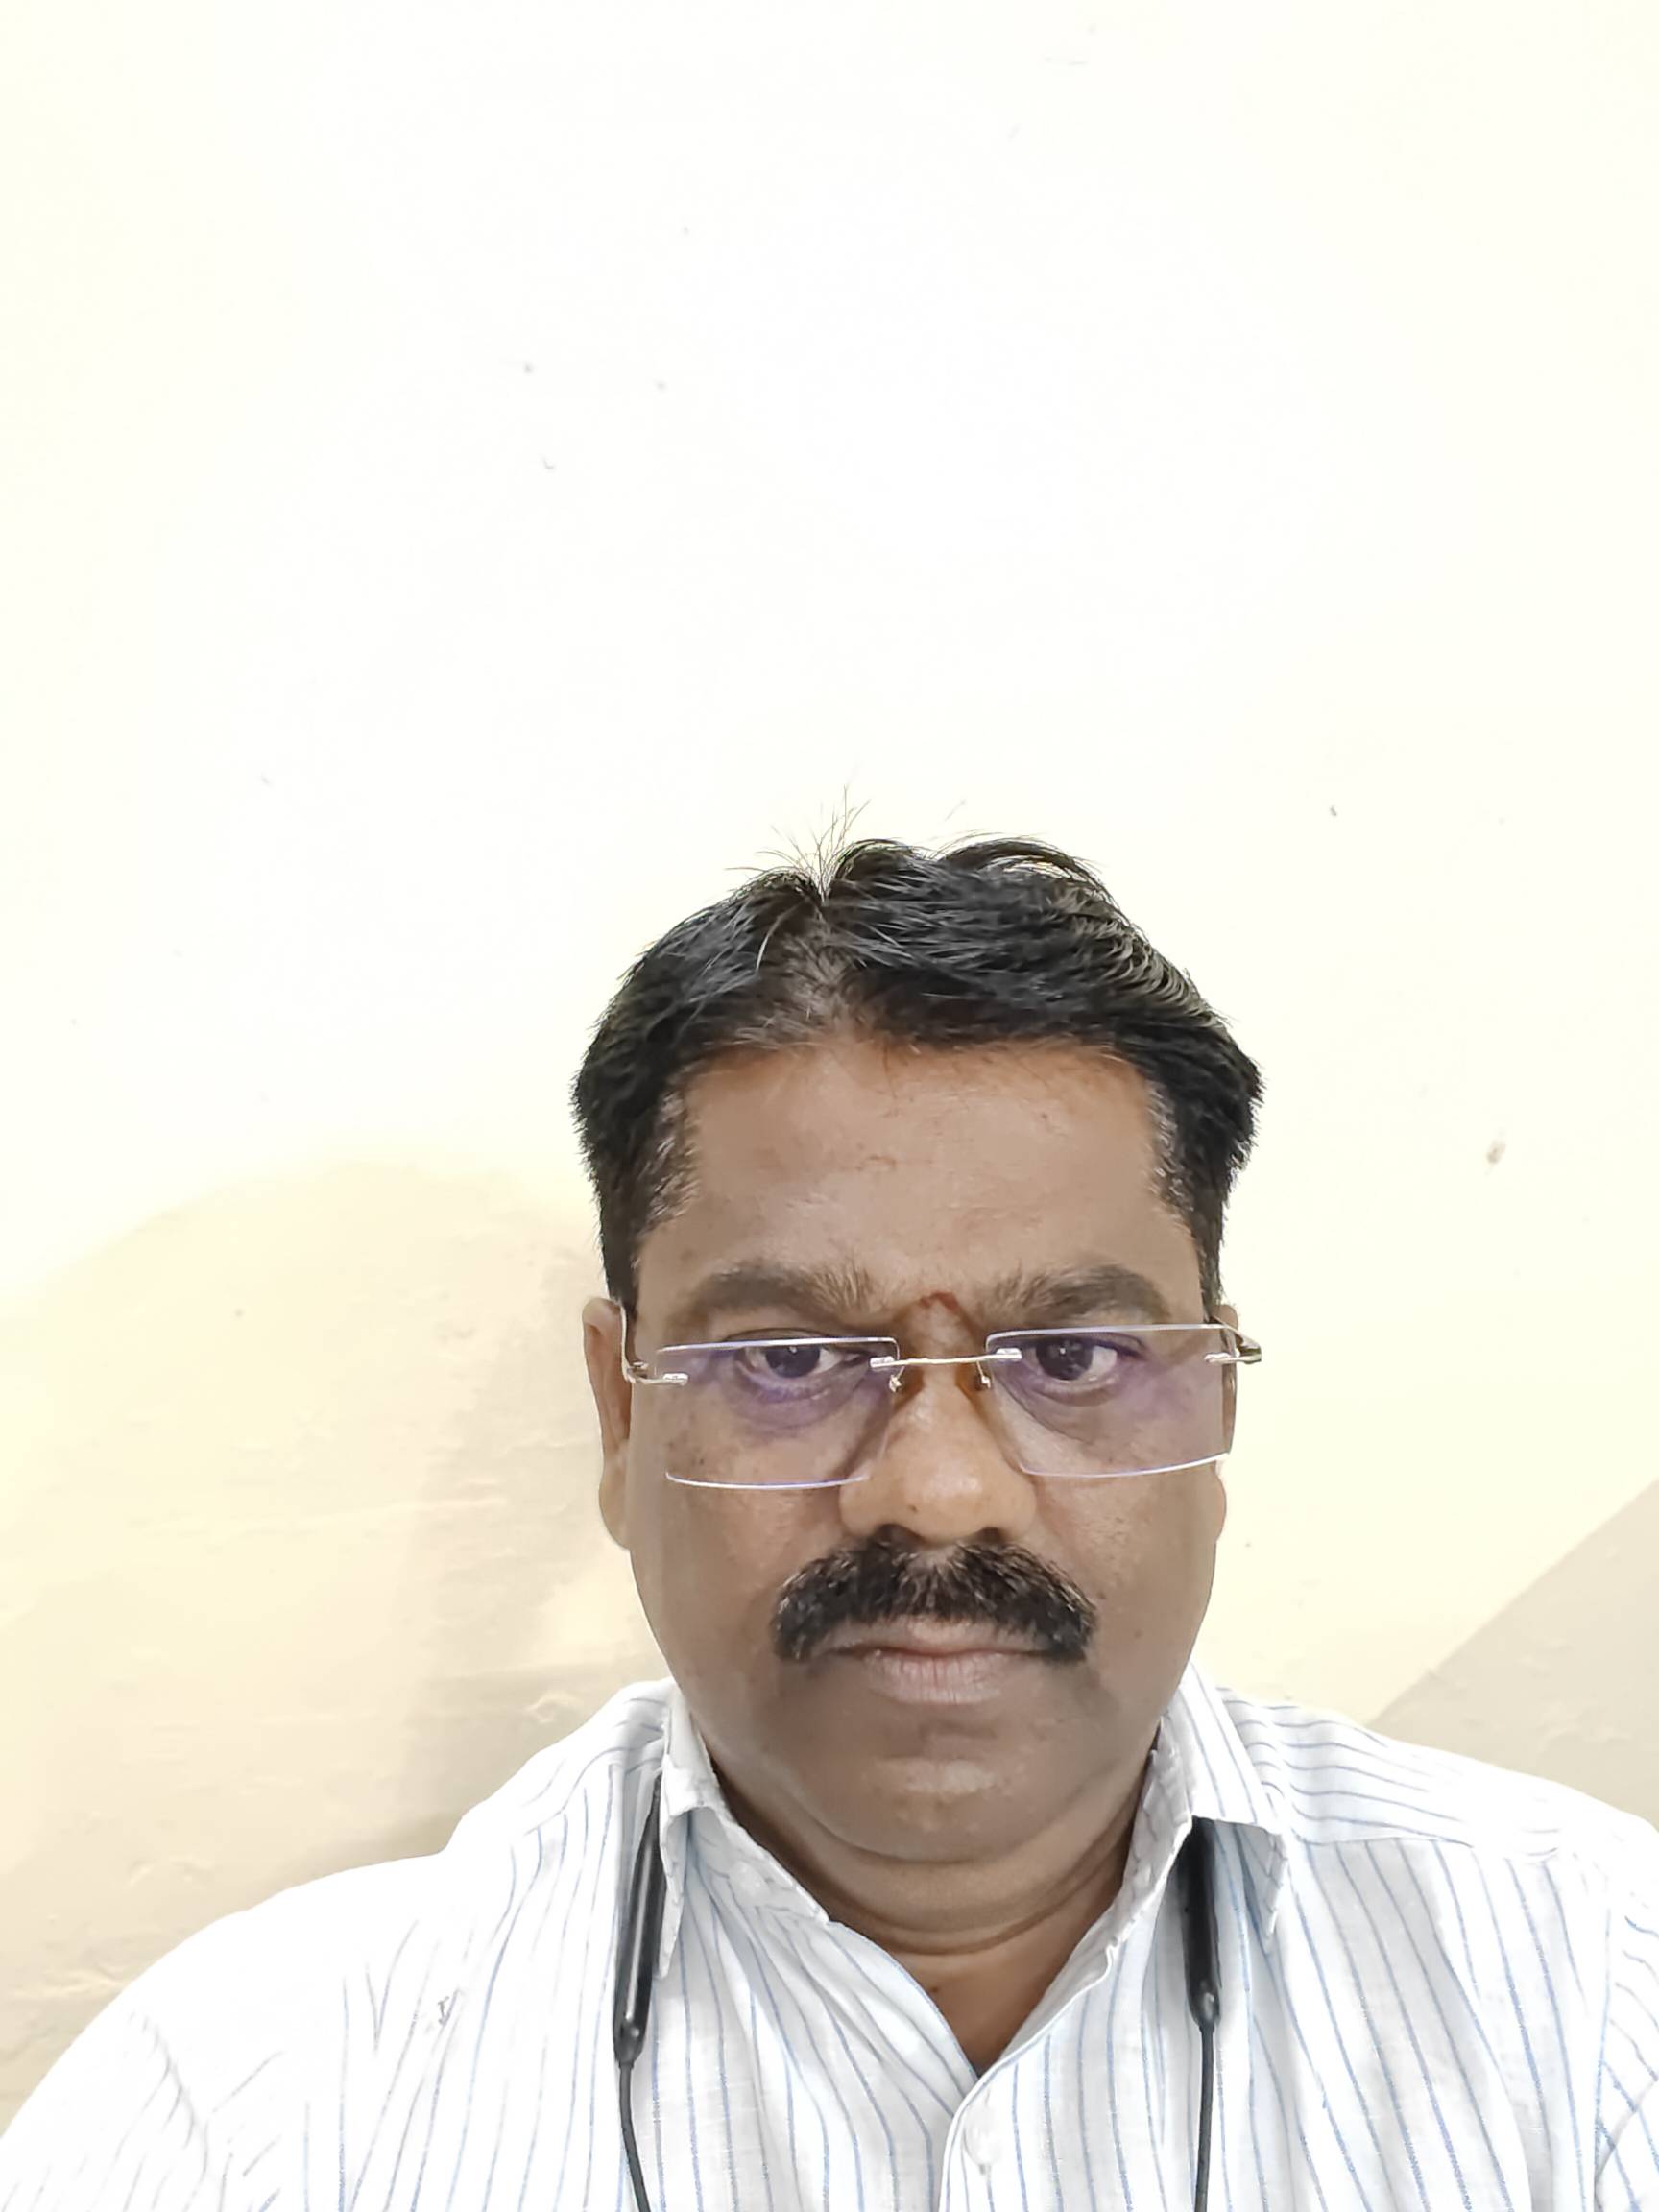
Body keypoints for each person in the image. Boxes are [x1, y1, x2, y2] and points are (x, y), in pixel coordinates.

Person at [3, 834, 1656, 2211]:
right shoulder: (254, 2113)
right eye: (790, 1361)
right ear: (620, 1418)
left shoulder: (1593, 2006)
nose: (938, 1490)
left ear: (1217, 1400)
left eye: (1072, 1357)